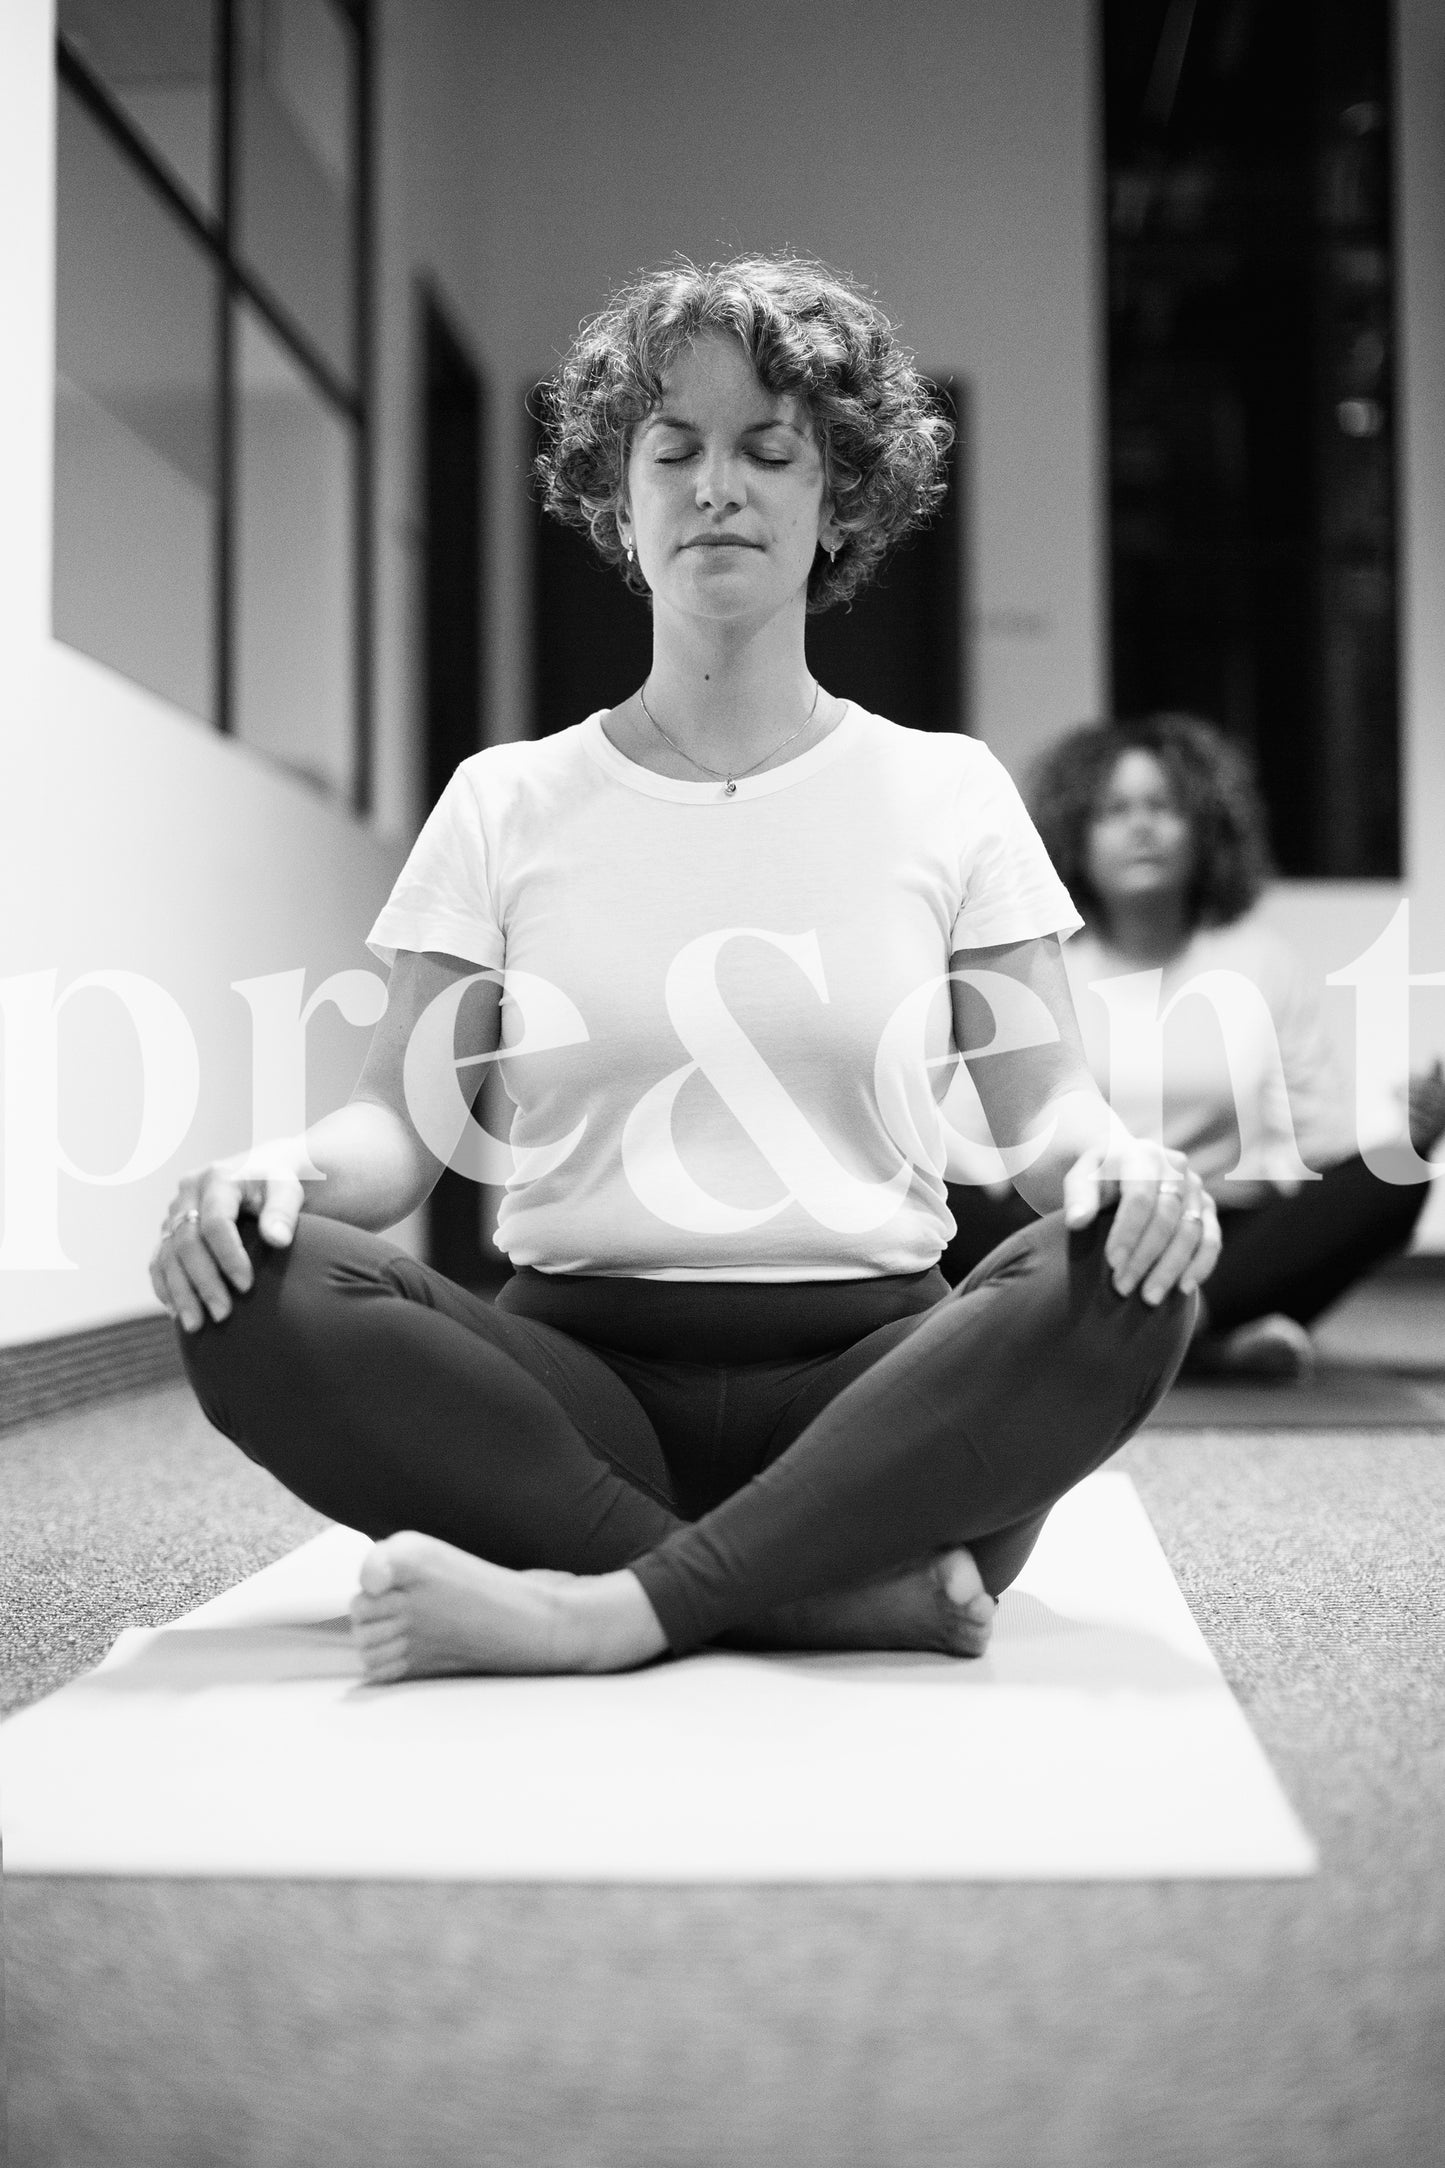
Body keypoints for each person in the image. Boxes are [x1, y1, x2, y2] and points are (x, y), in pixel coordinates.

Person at [150, 255, 1216, 1686]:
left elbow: (1045, 1126)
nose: (718, 486)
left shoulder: (950, 790)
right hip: (570, 1392)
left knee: (1126, 1271)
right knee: (250, 1287)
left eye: (769, 451)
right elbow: (394, 1135)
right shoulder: (504, 800)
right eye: (674, 450)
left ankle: (609, 1605)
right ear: (617, 498)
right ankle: (803, 1596)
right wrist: (272, 1173)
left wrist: (1127, 1171)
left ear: (839, 499)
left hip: (878, 1399)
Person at [942, 712, 1445, 1378]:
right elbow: (984, 1149)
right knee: (930, 1189)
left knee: (1394, 1177)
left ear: (1204, 830)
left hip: (1213, 1237)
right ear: (1075, 836)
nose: (1141, 827)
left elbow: (1321, 1146)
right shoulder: (1035, 960)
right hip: (1077, 1230)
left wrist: (1411, 1132)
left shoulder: (1261, 962)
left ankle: (1138, 1337)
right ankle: (1196, 1345)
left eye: (1164, 807)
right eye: (1114, 811)